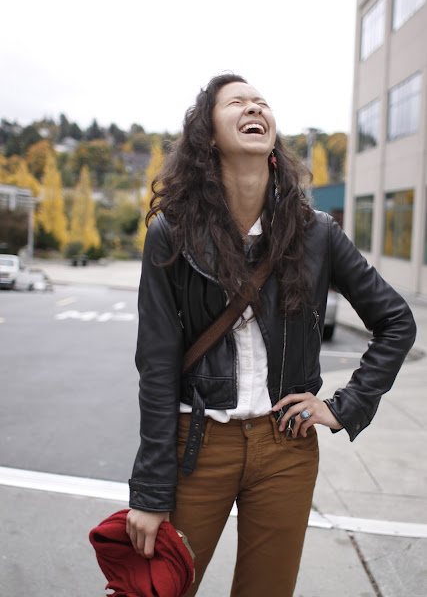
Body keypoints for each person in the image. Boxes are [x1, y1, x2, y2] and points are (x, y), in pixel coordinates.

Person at [126, 73, 416, 597]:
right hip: (198, 445)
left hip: (287, 446)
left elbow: (396, 321)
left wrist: (344, 405)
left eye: (261, 101)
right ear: (209, 136)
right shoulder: (172, 233)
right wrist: (149, 491)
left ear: (273, 142)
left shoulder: (316, 232)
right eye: (236, 102)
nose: (253, 106)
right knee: (161, 591)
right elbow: (157, 367)